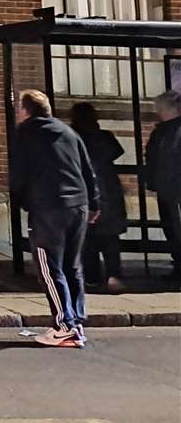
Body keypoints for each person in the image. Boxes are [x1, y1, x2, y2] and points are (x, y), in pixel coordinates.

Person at [12, 89, 99, 347]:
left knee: (49, 267)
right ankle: (76, 320)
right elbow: (87, 169)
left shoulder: (26, 133)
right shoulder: (68, 133)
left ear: (26, 110)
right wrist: (94, 203)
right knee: (72, 265)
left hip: (47, 205)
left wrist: (21, 201)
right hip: (78, 204)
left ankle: (64, 325)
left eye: (19, 107)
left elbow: (19, 171)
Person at [69, 102, 126, 293]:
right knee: (110, 238)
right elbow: (117, 151)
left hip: (83, 186)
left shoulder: (73, 137)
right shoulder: (104, 137)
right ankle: (114, 275)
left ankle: (92, 277)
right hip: (108, 186)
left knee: (87, 238)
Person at [144, 90, 181, 285]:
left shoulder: (168, 132)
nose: (156, 111)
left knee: (176, 229)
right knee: (171, 229)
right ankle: (178, 267)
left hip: (174, 189)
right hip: (166, 188)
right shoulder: (162, 131)